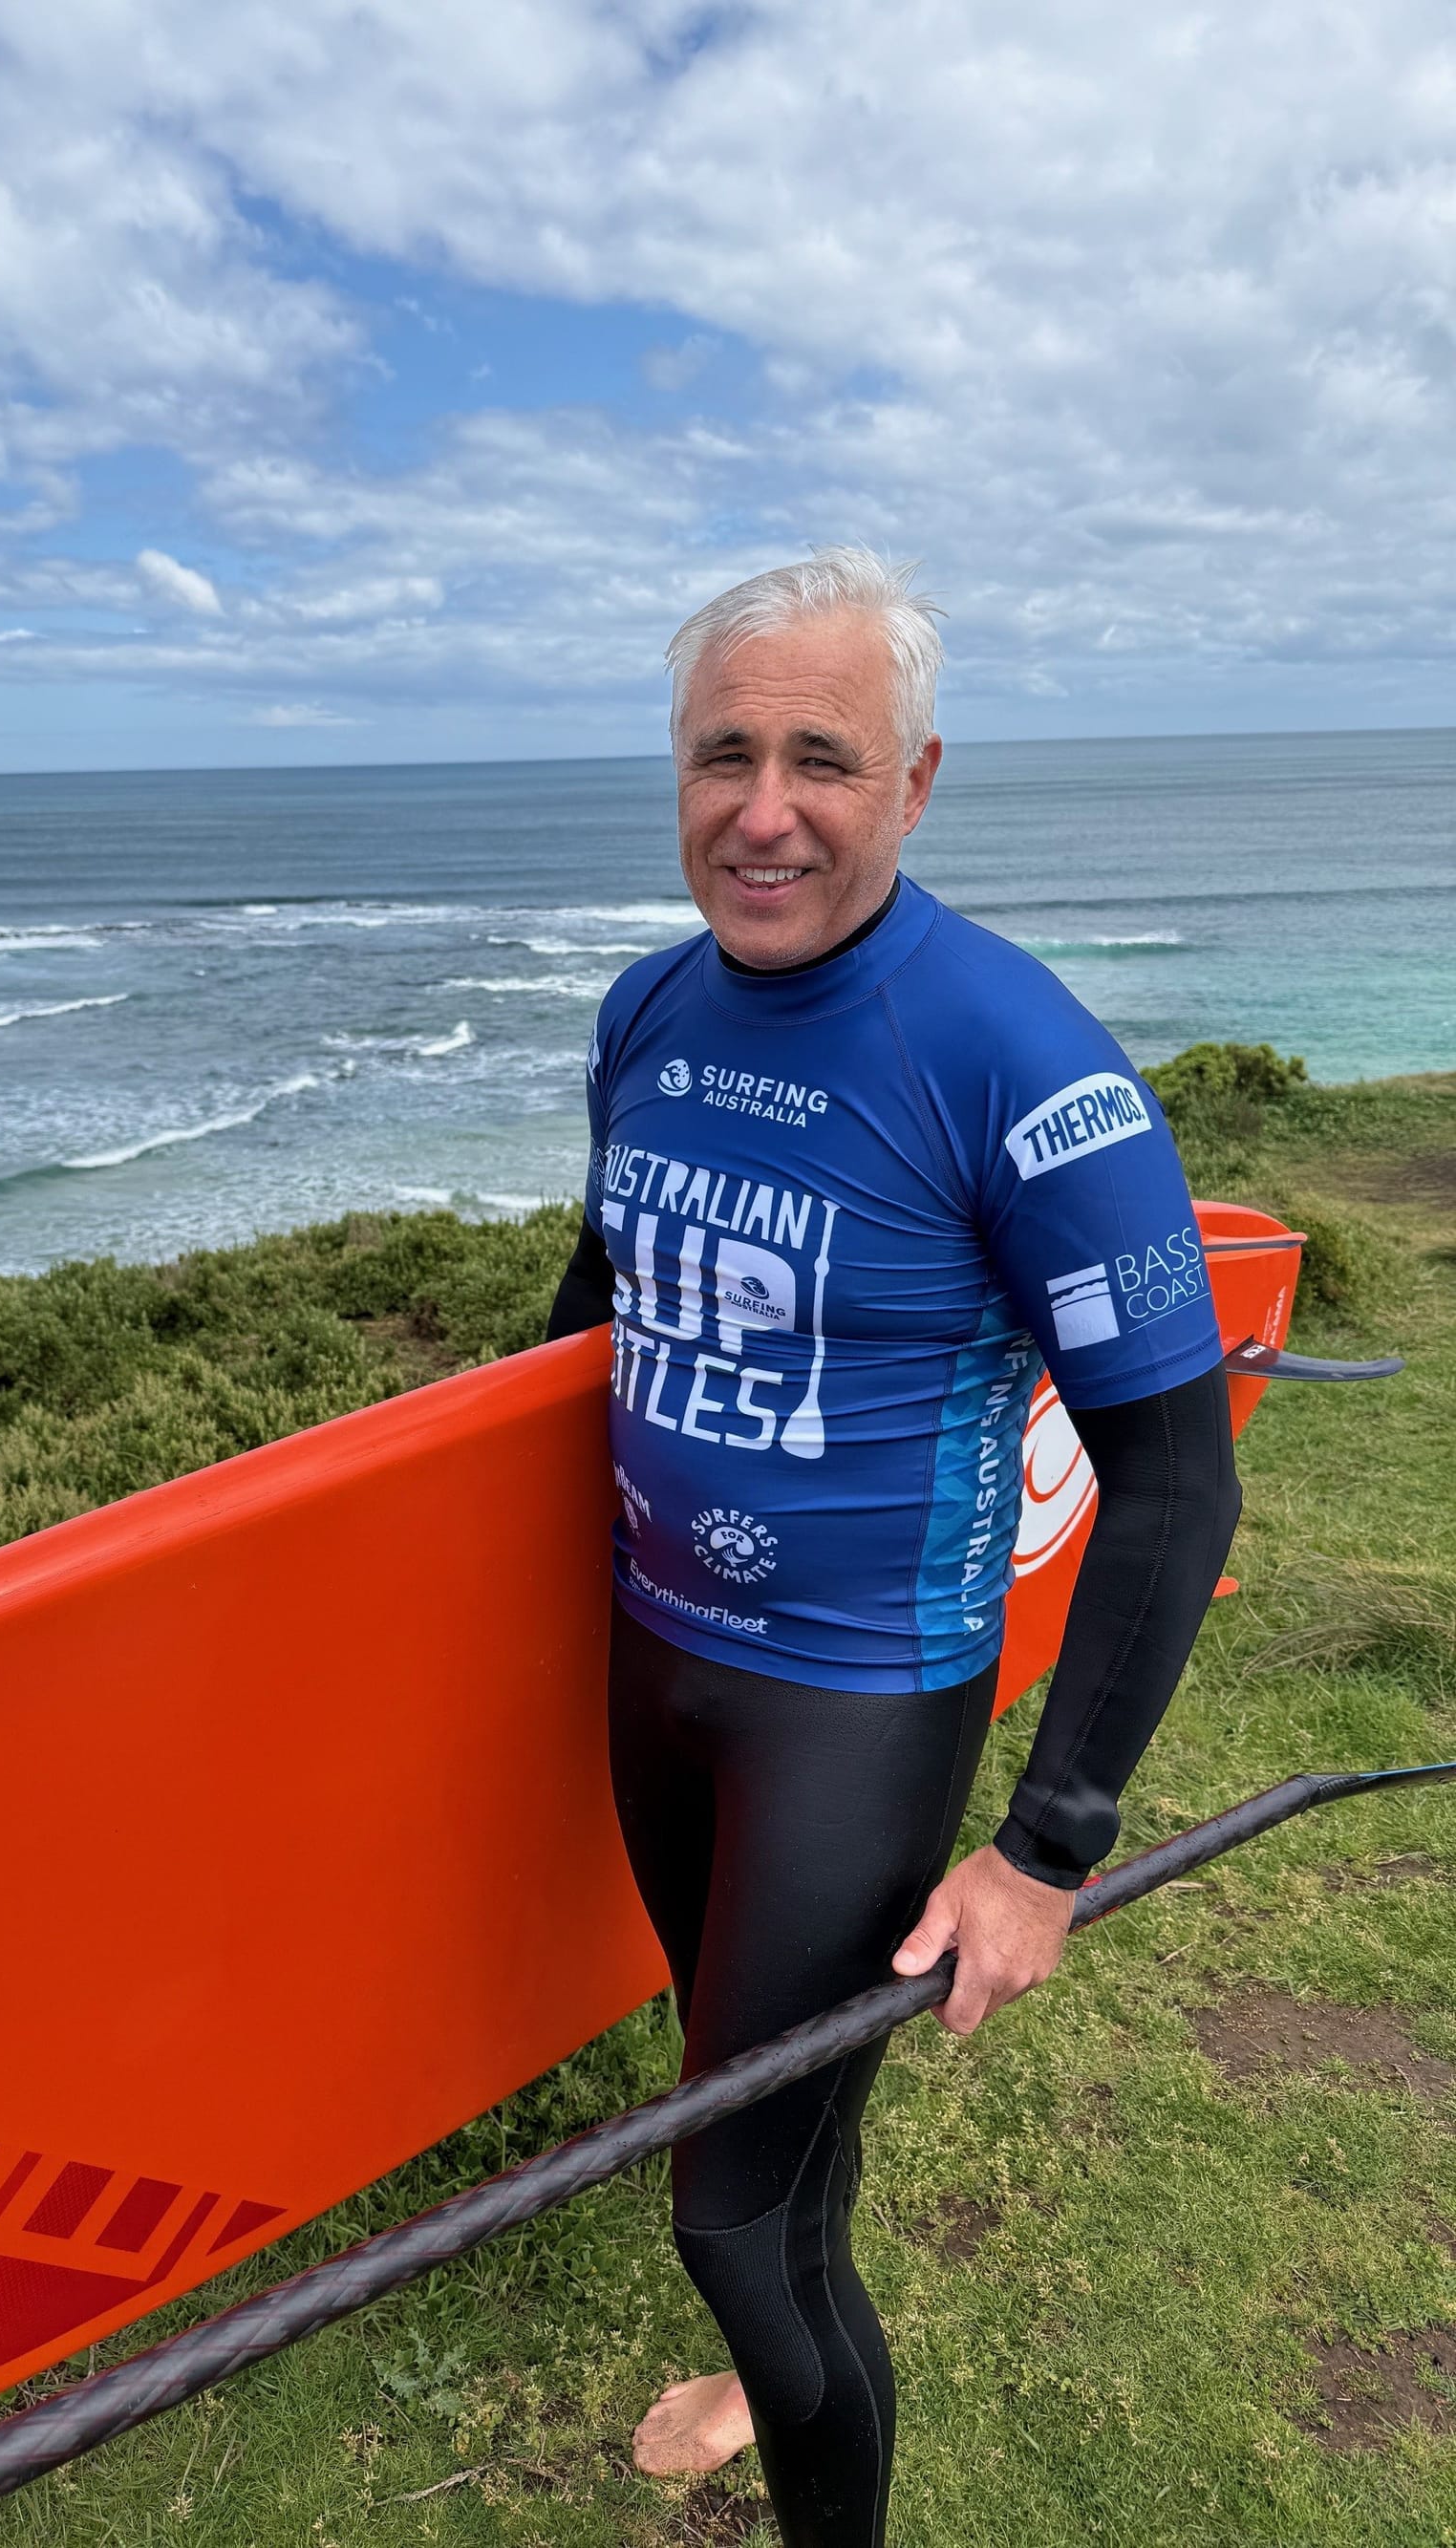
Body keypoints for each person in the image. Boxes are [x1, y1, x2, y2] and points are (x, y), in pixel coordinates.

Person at [546, 548, 1241, 2546]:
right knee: (754, 2104)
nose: (763, 808)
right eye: (723, 755)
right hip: (651, 1667)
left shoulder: (1026, 1065)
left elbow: (1174, 1483)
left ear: (912, 781)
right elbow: (599, 1292)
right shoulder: (643, 1006)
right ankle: (762, 2346)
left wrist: (1045, 1849)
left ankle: (803, 2450)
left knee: (726, 2207)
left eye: (820, 759)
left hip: (851, 1705)